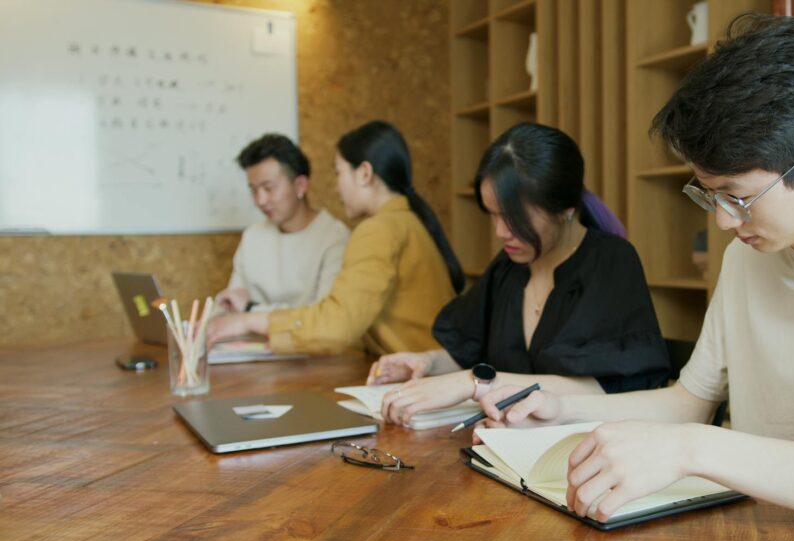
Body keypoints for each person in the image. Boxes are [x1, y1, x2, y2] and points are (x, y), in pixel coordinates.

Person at [475, 15, 794, 530]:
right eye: (710, 194)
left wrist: (695, 448)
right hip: (754, 539)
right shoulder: (749, 256)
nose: (725, 221)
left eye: (739, 197)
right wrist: (562, 409)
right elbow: (689, 401)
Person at [369, 122, 671, 426]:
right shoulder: (509, 268)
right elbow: (470, 351)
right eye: (494, 215)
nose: (501, 232)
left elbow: (606, 387)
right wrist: (426, 363)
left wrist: (475, 383)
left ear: (565, 208)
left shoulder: (610, 262)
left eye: (514, 218)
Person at [207, 121, 463, 356]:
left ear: (364, 173)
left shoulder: (378, 230)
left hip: (422, 380)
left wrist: (248, 317)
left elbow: (336, 325)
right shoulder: (404, 221)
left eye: (338, 173)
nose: (336, 186)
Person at [216, 134, 350, 312]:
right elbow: (232, 304)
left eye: (268, 188)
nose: (260, 200)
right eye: (253, 190)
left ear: (300, 185)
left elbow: (323, 319)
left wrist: (251, 309)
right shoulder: (252, 236)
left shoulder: (334, 237)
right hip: (250, 340)